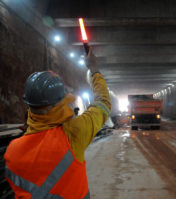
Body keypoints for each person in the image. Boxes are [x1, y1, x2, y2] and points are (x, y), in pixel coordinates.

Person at [4, 47, 111, 199]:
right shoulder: (72, 134)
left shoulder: (12, 151)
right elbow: (103, 103)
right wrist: (94, 69)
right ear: (60, 104)